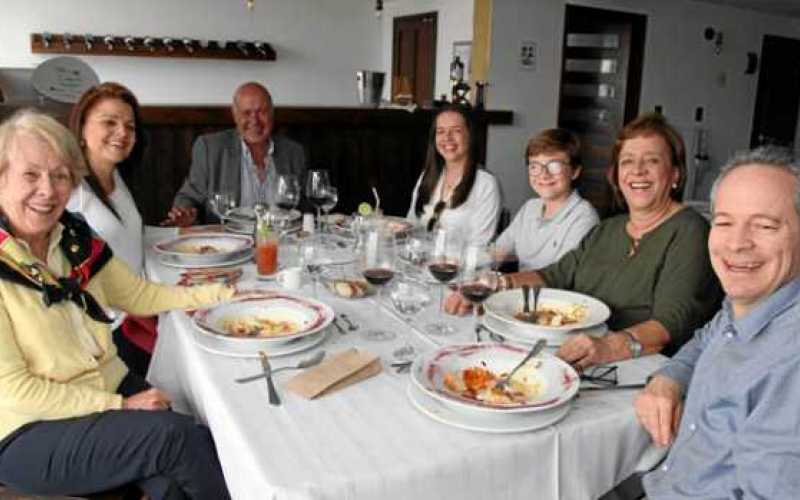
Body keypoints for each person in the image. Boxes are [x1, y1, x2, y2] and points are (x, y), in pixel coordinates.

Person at [0, 110, 233, 499]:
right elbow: (15, 391)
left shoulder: (72, 237)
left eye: (60, 176)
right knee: (175, 440)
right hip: (28, 429)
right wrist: (120, 405)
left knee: (184, 464)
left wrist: (221, 294)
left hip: (106, 390)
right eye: (31, 175)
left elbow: (138, 295)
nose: (48, 190)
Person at [447, 113, 722, 368]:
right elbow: (556, 275)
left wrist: (608, 347)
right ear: (615, 174)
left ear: (675, 174)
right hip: (583, 354)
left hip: (643, 369)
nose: (637, 170)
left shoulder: (690, 231)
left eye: (652, 160)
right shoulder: (608, 229)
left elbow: (671, 323)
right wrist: (494, 284)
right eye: (627, 161)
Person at [635, 147, 800, 499]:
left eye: (766, 226)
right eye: (724, 222)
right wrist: (669, 378)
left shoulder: (792, 361)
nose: (737, 243)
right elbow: (704, 339)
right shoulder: (746, 305)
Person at [67, 82, 154, 376]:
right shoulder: (70, 193)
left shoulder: (118, 177)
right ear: (81, 131)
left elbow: (128, 241)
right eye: (109, 123)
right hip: (109, 335)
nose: (122, 133)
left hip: (139, 313)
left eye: (130, 126)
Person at [163, 81, 307, 226]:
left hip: (281, 242)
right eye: (246, 113)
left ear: (272, 113)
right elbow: (188, 197)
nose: (254, 120)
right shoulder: (210, 149)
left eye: (262, 112)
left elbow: (305, 208)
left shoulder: (294, 152)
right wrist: (186, 213)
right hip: (228, 243)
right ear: (235, 115)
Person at [494, 128, 599, 270]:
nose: (544, 174)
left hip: (552, 292)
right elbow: (498, 251)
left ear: (575, 171)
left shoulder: (584, 218)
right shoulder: (530, 208)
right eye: (534, 166)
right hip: (520, 290)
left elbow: (559, 276)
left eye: (554, 165)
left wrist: (503, 283)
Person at [407, 105, 501, 245]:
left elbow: (479, 246)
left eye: (456, 131)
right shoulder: (427, 176)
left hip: (460, 265)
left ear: (470, 135)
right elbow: (411, 225)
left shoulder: (486, 184)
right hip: (419, 260)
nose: (447, 138)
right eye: (441, 131)